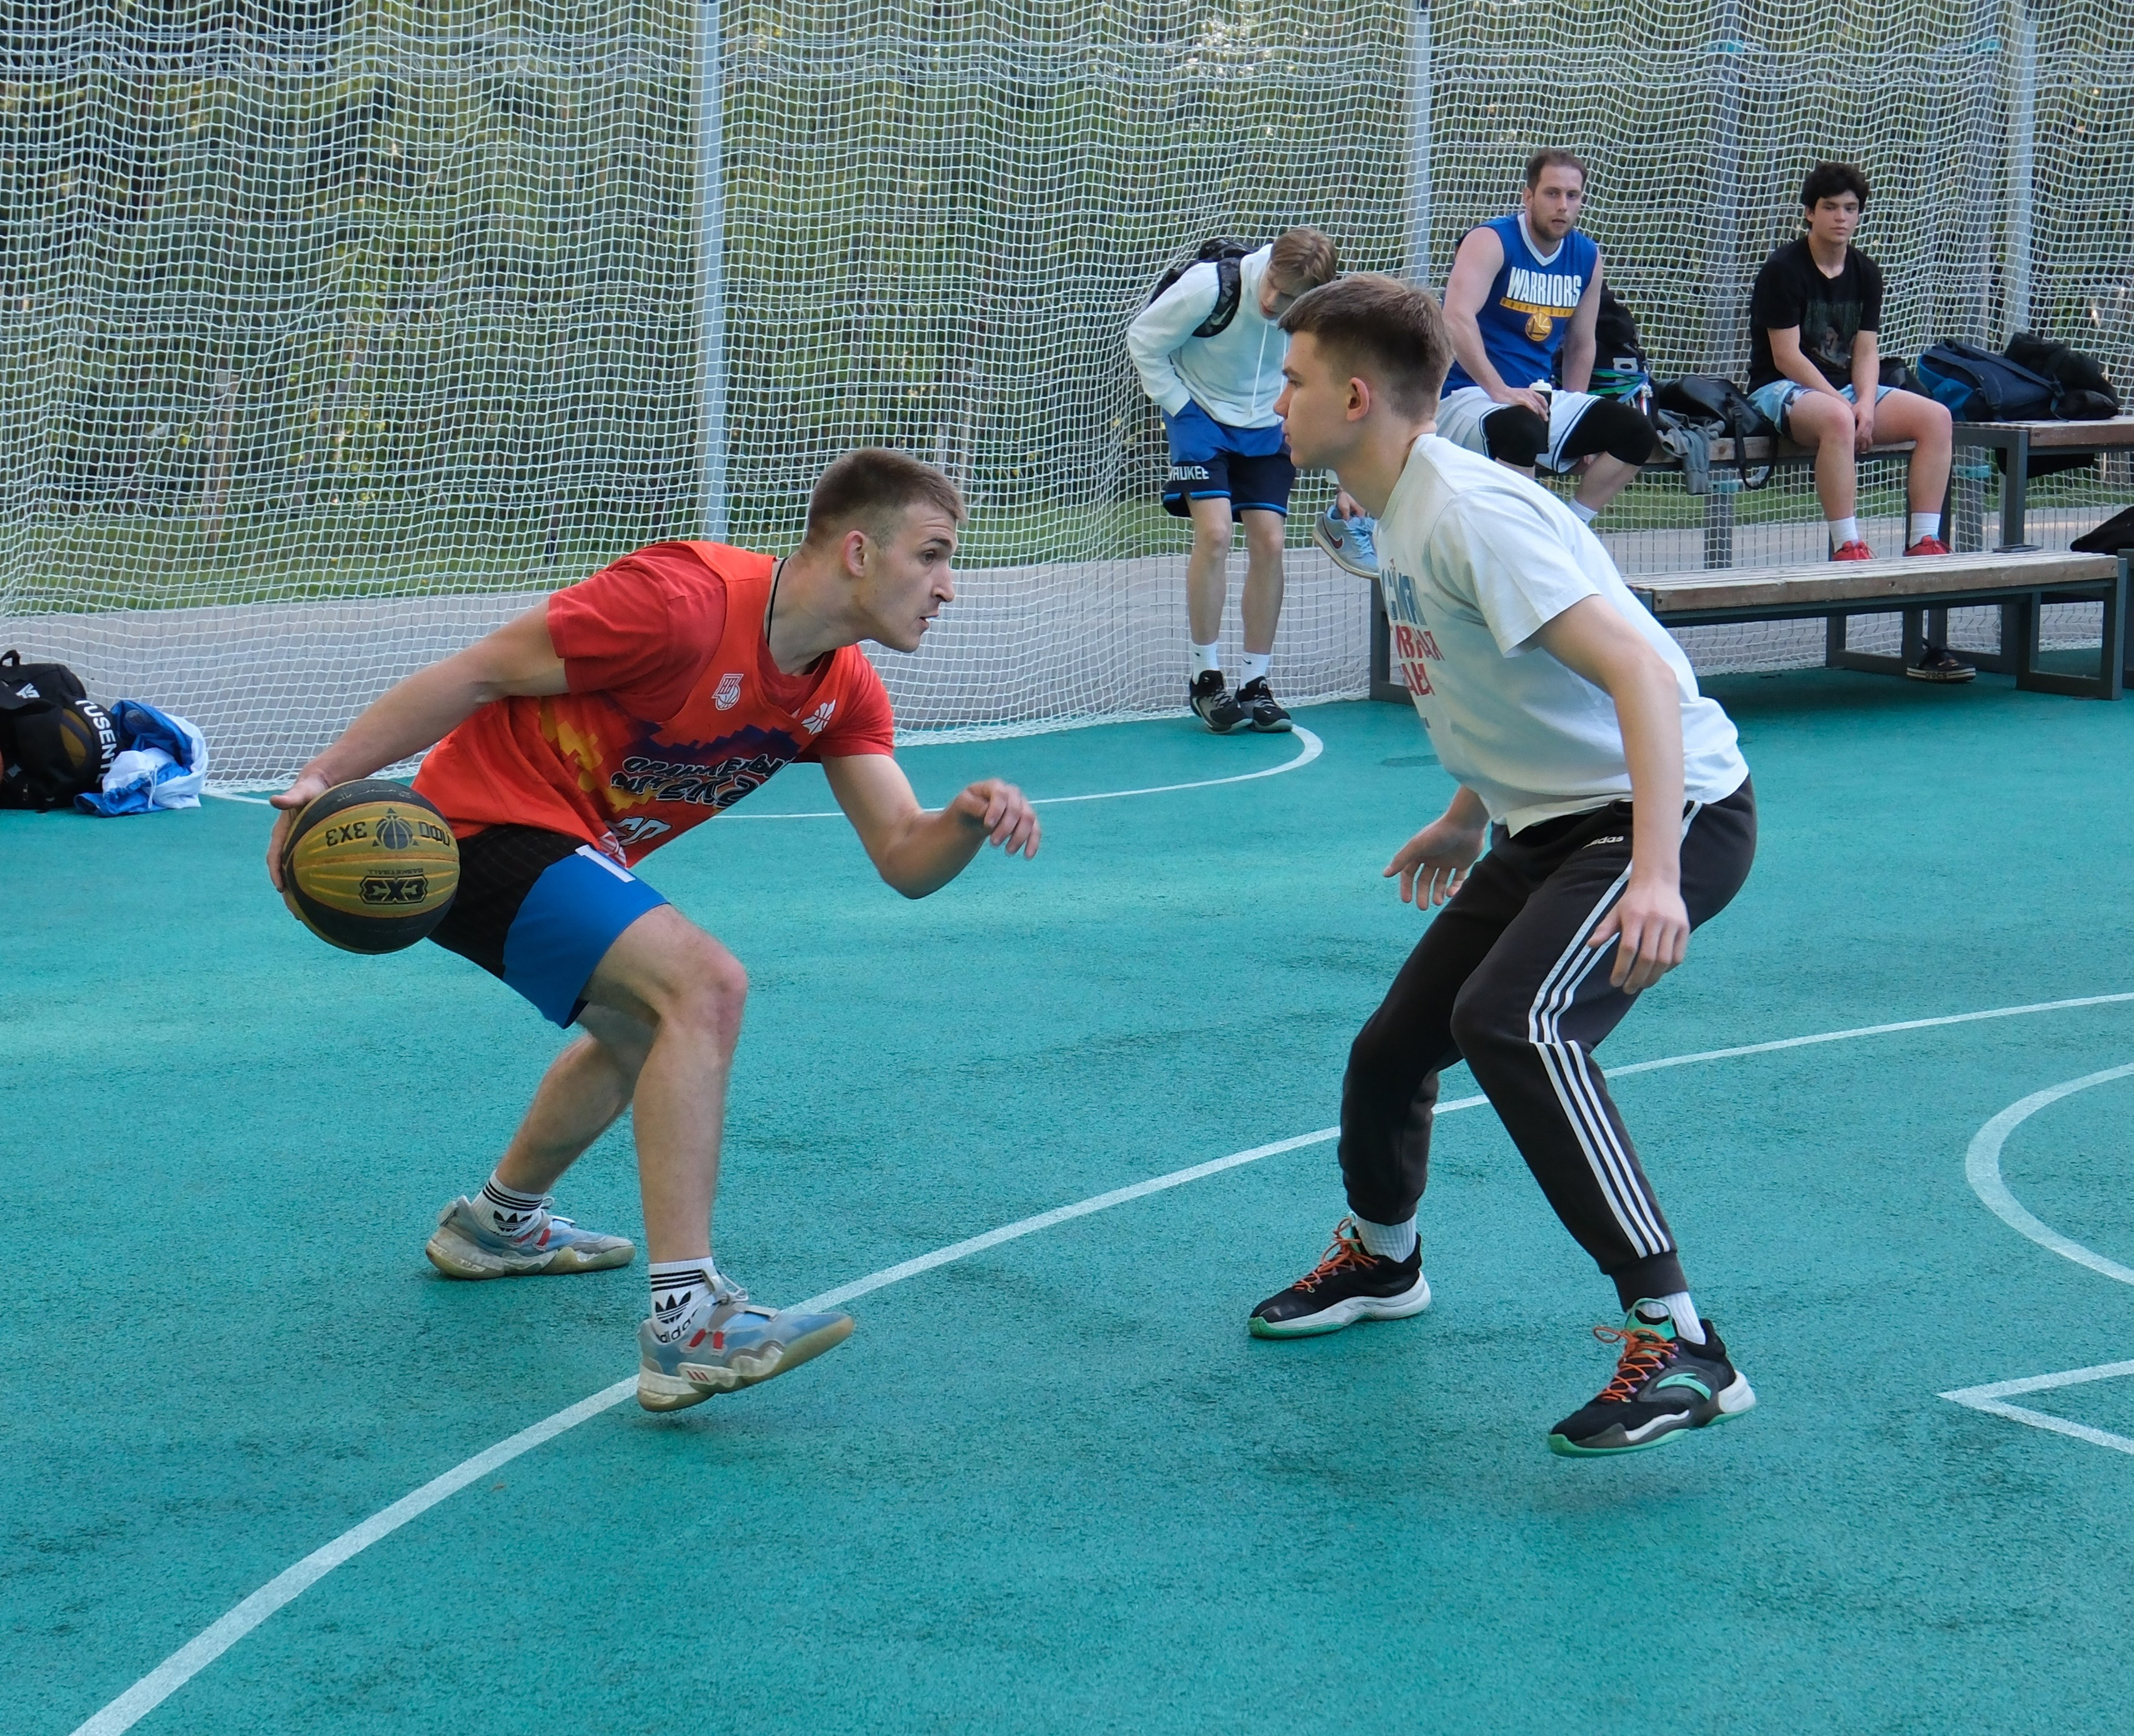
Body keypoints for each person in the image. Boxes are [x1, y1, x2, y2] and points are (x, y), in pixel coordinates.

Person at [265, 450, 1040, 1413]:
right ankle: (688, 1322)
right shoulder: (680, 602)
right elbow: (475, 674)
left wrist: (963, 817)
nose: (947, 587)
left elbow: (902, 857)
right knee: (703, 988)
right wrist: (319, 783)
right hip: (475, 825)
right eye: (932, 556)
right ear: (855, 550)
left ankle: (496, 1225)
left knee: (646, 1033)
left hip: (563, 845)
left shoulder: (843, 688)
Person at [1254, 273, 1759, 1457]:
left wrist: (1654, 874)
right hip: (1546, 823)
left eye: (1293, 380)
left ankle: (1681, 1336)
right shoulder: (1396, 509)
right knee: (1391, 1049)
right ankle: (1384, 1262)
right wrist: (1465, 814)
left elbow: (1636, 673)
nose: (1277, 401)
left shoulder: (1472, 512)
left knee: (1519, 1020)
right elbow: (1502, 680)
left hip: (1667, 812)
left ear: (1359, 395)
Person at [1746, 161, 1969, 681]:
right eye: (1830, 208)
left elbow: (1866, 349)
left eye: (1850, 208)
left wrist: (1866, 401)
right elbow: (1785, 356)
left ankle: (1924, 540)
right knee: (1838, 423)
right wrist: (1846, 408)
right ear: (1809, 213)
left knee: (1935, 416)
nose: (1841, 217)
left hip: (1845, 391)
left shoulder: (1866, 270)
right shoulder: (1783, 269)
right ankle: (1848, 544)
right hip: (1783, 389)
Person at [1127, 228, 1340, 733]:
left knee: (1270, 541)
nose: (1273, 301)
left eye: (1289, 297)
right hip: (1198, 412)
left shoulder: (1325, 314)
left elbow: (1334, 386)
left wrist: (1342, 477)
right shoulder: (1210, 287)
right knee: (1217, 533)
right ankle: (1205, 679)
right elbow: (1144, 340)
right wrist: (1180, 407)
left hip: (1269, 423)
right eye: (1272, 284)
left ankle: (1255, 685)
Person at [1436, 149, 1656, 521]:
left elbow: (1582, 342)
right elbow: (1455, 319)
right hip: (1466, 395)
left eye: (1573, 196)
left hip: (1536, 395)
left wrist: (1575, 406)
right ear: (1528, 196)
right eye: (1552, 193)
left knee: (1636, 430)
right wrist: (1499, 390)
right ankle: (1518, 544)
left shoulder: (1586, 255)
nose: (1563, 206)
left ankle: (1570, 532)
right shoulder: (1490, 240)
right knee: (1523, 429)